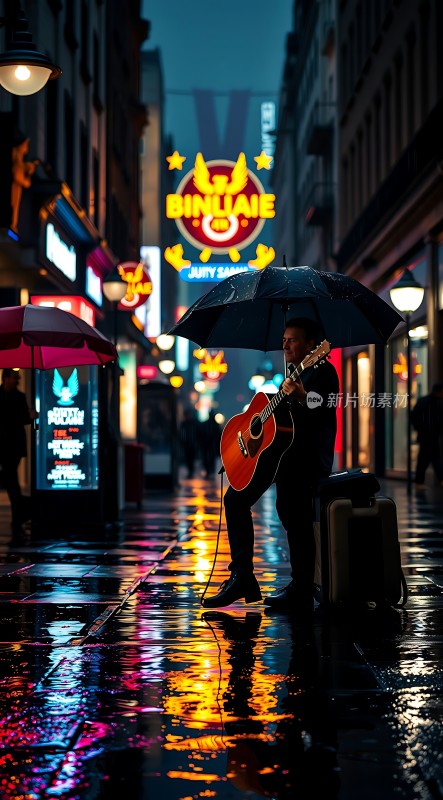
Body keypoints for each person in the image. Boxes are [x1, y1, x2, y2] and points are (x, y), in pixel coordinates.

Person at [202, 317, 339, 613]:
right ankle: (243, 577)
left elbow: (324, 406)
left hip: (306, 461)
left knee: (296, 519)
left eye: (293, 339)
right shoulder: (291, 374)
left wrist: (301, 396)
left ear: (312, 346)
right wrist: (250, 440)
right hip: (282, 457)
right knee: (236, 500)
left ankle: (300, 589)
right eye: (284, 338)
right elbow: (278, 423)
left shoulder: (324, 371)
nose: (285, 344)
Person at [0, 369, 37, 537]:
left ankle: (21, 513)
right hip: (4, 445)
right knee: (11, 481)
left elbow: (23, 419)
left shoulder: (19, 396)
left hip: (13, 446)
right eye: (15, 378)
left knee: (10, 480)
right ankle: (25, 509)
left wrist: (30, 417)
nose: (18, 381)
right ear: (6, 378)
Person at [410, 382, 443, 490]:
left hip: (425, 435)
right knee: (433, 459)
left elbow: (413, 416)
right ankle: (436, 479)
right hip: (432, 435)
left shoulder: (422, 401)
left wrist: (418, 428)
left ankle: (419, 482)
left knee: (424, 459)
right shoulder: (438, 403)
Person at [179, 408, 201, 478]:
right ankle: (190, 471)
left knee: (191, 458)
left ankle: (191, 471)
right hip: (187, 444)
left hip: (192, 444)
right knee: (188, 458)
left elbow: (198, 434)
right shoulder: (185, 424)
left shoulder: (192, 423)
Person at [200, 409, 221, 478]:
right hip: (208, 444)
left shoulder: (208, 424)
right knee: (208, 458)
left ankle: (210, 471)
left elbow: (219, 435)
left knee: (209, 458)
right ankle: (210, 471)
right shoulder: (215, 424)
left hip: (210, 444)